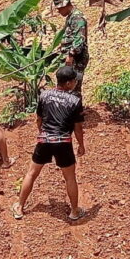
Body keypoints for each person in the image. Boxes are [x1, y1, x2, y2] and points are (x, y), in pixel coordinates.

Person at [10, 66, 86, 221]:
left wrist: (41, 133)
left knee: (32, 173)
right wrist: (81, 145)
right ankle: (74, 212)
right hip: (63, 142)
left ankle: (19, 206)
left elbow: (39, 119)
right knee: (70, 177)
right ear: (68, 83)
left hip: (44, 140)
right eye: (74, 81)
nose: (76, 83)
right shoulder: (75, 101)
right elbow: (78, 128)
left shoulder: (44, 95)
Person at [53, 0, 89, 96]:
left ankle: (75, 110)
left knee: (73, 87)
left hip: (76, 58)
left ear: (66, 5)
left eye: (60, 9)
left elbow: (79, 39)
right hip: (71, 56)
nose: (59, 11)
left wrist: (71, 55)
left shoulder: (77, 17)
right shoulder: (71, 17)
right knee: (66, 87)